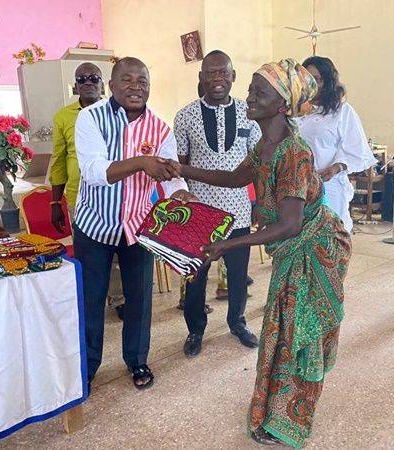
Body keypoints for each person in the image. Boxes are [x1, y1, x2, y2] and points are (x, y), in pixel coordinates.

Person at [170, 58, 351, 447]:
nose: (249, 98)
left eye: (259, 92)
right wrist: (182, 170)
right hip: (292, 251)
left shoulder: (293, 153)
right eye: (251, 90)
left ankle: (292, 419)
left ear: (283, 104)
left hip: (313, 251)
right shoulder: (265, 144)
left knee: (295, 335)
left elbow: (289, 225)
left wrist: (227, 244)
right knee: (279, 331)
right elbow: (234, 178)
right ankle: (273, 410)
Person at [74, 57, 194, 389]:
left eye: (143, 81)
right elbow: (94, 172)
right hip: (95, 225)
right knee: (91, 299)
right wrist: (141, 162)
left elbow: (171, 175)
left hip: (138, 225)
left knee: (140, 299)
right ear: (111, 85)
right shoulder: (91, 118)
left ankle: (137, 361)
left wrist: (180, 193)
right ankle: (88, 366)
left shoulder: (160, 128)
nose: (135, 87)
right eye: (127, 80)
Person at [174, 50, 261, 356]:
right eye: (211, 73)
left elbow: (258, 163)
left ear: (233, 76)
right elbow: (180, 165)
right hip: (200, 213)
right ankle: (195, 330)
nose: (217, 79)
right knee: (196, 276)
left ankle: (237, 323)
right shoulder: (185, 116)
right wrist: (186, 204)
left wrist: (259, 203)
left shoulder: (249, 113)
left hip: (238, 211)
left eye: (223, 72)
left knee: (238, 275)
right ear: (201, 77)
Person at [48, 63, 125, 316]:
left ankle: (118, 299)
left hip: (113, 196)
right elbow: (59, 160)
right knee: (89, 255)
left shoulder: (119, 111)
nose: (88, 82)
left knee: (116, 252)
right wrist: (55, 203)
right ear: (75, 86)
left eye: (94, 78)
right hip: (78, 198)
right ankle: (92, 302)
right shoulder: (63, 116)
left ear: (103, 84)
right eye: (82, 79)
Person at [294, 56, 376, 233]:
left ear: (327, 82)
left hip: (327, 187)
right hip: (296, 189)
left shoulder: (342, 111)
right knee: (298, 236)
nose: (311, 84)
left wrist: (336, 167)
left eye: (316, 79)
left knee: (328, 237)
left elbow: (357, 150)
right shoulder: (294, 111)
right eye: (306, 79)